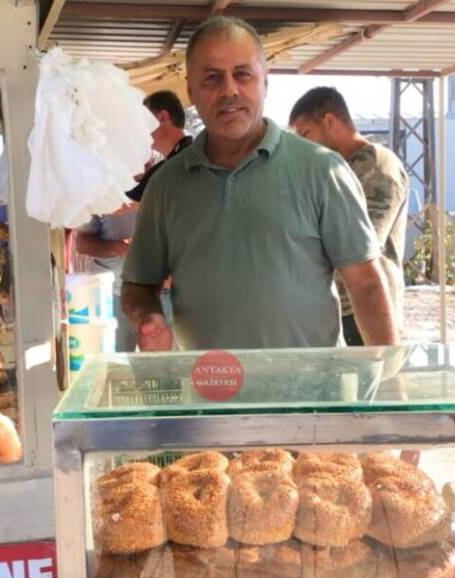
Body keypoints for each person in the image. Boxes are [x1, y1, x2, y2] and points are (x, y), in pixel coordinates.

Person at [121, 16, 399, 351]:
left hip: (312, 396)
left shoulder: (322, 171)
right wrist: (148, 316)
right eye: (212, 77)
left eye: (243, 74)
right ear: (191, 91)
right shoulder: (167, 185)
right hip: (208, 394)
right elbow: (139, 284)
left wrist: (388, 376)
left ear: (265, 83)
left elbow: (366, 282)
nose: (229, 90)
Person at [289, 87, 409, 346]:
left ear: (330, 121)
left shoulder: (377, 165)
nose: (301, 144)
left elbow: (364, 245)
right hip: (339, 308)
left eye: (305, 133)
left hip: (366, 310)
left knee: (377, 384)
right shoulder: (335, 169)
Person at [75, 90, 191, 351]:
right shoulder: (175, 161)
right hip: (140, 291)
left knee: (169, 370)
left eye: (140, 123)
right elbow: (129, 202)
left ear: (162, 117)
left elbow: (125, 204)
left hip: (176, 292)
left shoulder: (185, 160)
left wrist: (78, 195)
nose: (137, 133)